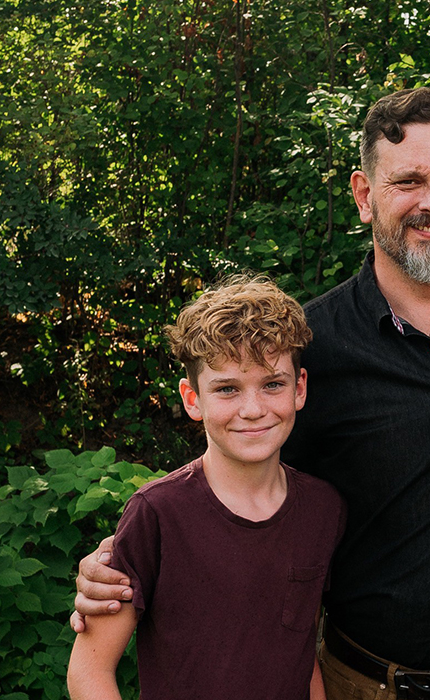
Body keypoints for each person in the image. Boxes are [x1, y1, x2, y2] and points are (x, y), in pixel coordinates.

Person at [71, 87, 430, 700]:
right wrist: (129, 555)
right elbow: (242, 471)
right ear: (364, 196)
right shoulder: (314, 346)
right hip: (363, 685)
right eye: (408, 182)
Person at [67, 275, 346, 700]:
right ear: (192, 398)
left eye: (272, 384)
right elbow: (89, 673)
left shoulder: (324, 509)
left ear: (299, 388)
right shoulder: (157, 514)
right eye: (227, 389)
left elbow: (300, 651)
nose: (253, 410)